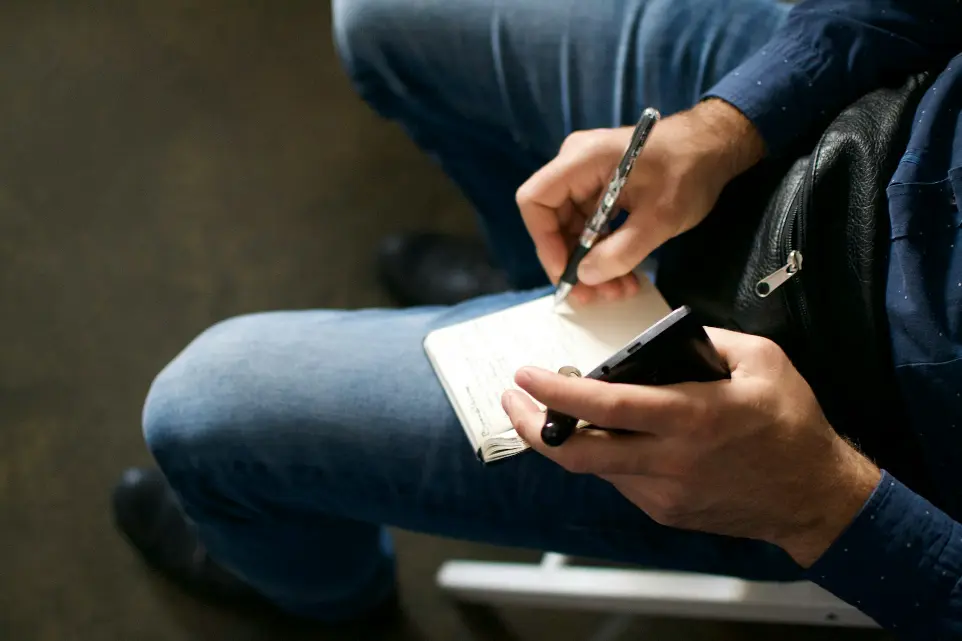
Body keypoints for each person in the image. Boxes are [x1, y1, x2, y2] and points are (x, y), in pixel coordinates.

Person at [111, 0, 962, 637]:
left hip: (845, 429)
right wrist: (727, 122)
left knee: (204, 409)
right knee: (383, 15)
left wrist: (819, 501)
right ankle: (548, 293)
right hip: (880, 119)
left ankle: (326, 604)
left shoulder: (822, 481)